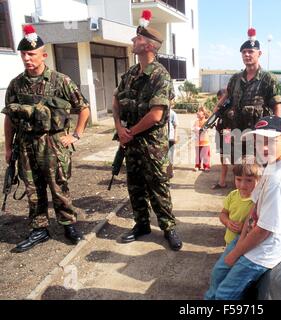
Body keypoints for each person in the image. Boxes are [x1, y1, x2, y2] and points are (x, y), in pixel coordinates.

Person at [2, 25, 90, 252]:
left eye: (31, 54)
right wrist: (8, 148)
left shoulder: (61, 81)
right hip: (25, 144)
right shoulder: (16, 84)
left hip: (53, 143)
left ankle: (68, 225)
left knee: (59, 185)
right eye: (23, 54)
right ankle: (39, 229)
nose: (26, 58)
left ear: (43, 55)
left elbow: (84, 109)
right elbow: (9, 118)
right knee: (33, 188)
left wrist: (76, 135)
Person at [205, 116, 281, 300]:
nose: (264, 147)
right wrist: (240, 241)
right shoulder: (272, 166)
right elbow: (255, 209)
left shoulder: (279, 179)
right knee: (218, 274)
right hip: (251, 238)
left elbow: (264, 231)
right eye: (259, 141)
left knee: (224, 294)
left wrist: (235, 253)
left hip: (263, 251)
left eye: (271, 141)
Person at [112, 10, 182, 251]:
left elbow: (156, 115)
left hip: (153, 145)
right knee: (135, 185)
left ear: (149, 45)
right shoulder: (130, 74)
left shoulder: (161, 76)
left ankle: (168, 228)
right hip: (130, 143)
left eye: (137, 39)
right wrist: (119, 127)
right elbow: (116, 102)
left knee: (158, 186)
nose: (133, 41)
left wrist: (129, 132)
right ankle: (141, 224)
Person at [214, 28, 281, 166]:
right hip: (237, 131)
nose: (247, 55)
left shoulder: (268, 78)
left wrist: (277, 128)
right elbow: (227, 93)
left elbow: (276, 104)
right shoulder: (236, 78)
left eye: (250, 51)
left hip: (258, 132)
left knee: (258, 166)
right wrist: (217, 108)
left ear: (259, 53)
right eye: (244, 52)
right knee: (239, 165)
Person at [219, 159, 262, 246]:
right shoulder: (233, 195)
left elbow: (260, 227)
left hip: (246, 246)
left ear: (259, 180)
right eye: (238, 179)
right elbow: (223, 213)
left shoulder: (258, 201)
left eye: (249, 180)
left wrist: (245, 228)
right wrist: (227, 222)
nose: (242, 185)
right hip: (229, 242)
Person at [212, 88, 230, 189]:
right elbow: (214, 111)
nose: (220, 101)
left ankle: (237, 183)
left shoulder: (231, 107)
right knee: (223, 160)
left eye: (221, 99)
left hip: (227, 135)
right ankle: (222, 182)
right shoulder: (222, 109)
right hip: (221, 135)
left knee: (233, 159)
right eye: (219, 99)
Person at [193, 106, 211, 172]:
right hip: (197, 142)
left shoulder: (207, 121)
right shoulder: (196, 121)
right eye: (198, 111)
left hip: (205, 141)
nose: (198, 112)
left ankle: (206, 166)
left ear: (204, 113)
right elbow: (194, 129)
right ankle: (197, 165)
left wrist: (202, 129)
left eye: (200, 111)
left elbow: (207, 129)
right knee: (198, 155)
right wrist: (199, 129)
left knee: (206, 155)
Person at [167, 103, 178, 178]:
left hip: (170, 137)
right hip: (162, 138)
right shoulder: (161, 113)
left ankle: (170, 170)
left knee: (171, 155)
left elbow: (175, 126)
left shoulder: (173, 113)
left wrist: (175, 136)